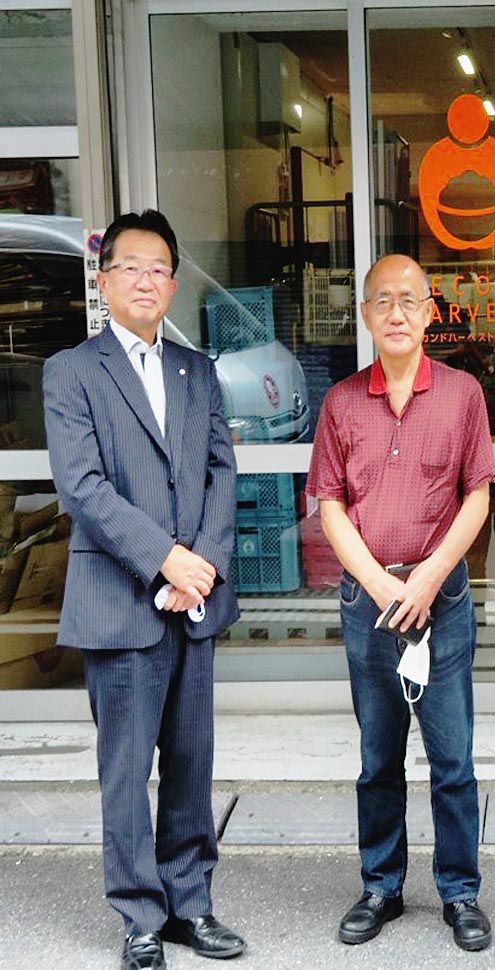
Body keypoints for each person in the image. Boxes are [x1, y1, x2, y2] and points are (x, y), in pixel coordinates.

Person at [43, 209, 245, 970]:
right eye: (130, 267)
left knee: (192, 764)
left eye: (159, 269)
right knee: (126, 772)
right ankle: (138, 917)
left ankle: (190, 904)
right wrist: (165, 559)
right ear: (104, 281)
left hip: (194, 603)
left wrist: (204, 565)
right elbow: (83, 486)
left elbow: (222, 470)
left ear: (173, 284)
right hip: (119, 603)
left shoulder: (197, 371)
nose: (145, 281)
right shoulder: (72, 370)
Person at [307, 254, 495, 952]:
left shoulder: (462, 394)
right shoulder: (341, 402)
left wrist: (428, 577)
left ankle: (460, 891)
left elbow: (477, 495)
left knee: (453, 759)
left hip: (440, 600)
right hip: (369, 602)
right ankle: (381, 885)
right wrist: (384, 584)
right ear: (365, 315)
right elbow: (330, 505)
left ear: (428, 313)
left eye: (408, 300)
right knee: (377, 757)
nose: (395, 312)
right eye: (382, 300)